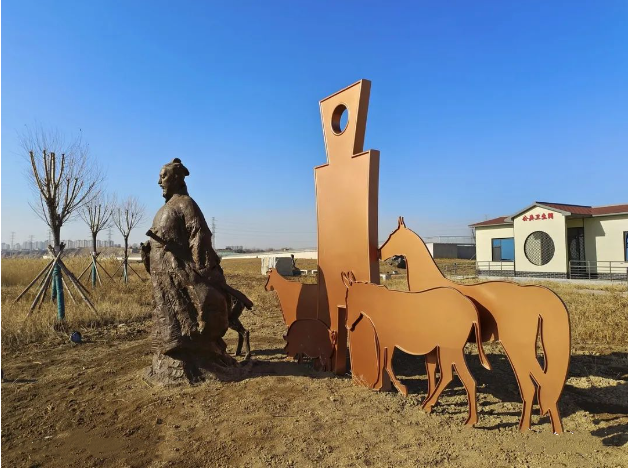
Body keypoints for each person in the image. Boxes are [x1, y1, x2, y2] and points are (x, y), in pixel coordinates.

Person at [142, 158, 252, 357]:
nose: (159, 182)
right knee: (166, 324)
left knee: (188, 327)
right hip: (164, 282)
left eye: (163, 177)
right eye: (159, 177)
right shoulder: (166, 208)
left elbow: (199, 236)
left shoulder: (186, 204)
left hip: (180, 277)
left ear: (177, 179)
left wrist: (204, 269)